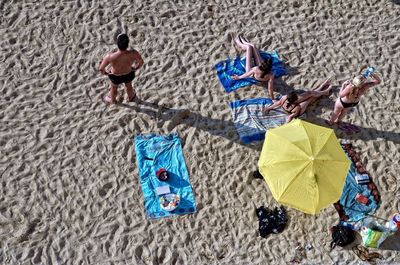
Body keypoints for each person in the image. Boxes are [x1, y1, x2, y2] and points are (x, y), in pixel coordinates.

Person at [99, 33, 144, 103]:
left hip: (115, 76)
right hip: (128, 73)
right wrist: (136, 68)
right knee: (129, 86)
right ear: (127, 44)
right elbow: (141, 62)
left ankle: (112, 100)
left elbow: (101, 69)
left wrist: (106, 73)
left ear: (117, 44)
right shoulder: (133, 53)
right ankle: (130, 97)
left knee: (114, 88)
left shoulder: (110, 56)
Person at [264, 78, 332, 123]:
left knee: (309, 93)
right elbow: (291, 116)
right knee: (310, 98)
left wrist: (269, 108)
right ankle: (324, 91)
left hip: (290, 107)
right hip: (296, 111)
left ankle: (322, 89)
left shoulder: (285, 98)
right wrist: (286, 124)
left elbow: (278, 103)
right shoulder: (297, 108)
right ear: (295, 99)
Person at [230, 35, 275, 99]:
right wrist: (272, 98)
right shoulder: (271, 75)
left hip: (250, 72)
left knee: (249, 47)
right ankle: (244, 41)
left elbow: (247, 74)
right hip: (259, 72)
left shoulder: (256, 69)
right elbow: (270, 88)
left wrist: (239, 77)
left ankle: (239, 42)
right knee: (253, 46)